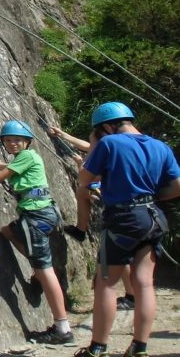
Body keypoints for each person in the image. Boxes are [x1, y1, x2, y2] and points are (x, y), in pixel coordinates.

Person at [74, 102, 180, 357]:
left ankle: (97, 347)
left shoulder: (110, 144)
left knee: (107, 283)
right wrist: (150, 197)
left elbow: (84, 180)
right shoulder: (160, 146)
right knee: (144, 283)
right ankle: (139, 347)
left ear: (106, 127)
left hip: (123, 218)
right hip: (153, 217)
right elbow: (177, 186)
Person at [0, 120, 73, 345]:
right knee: (7, 231)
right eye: (8, 140)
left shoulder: (28, 157)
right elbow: (3, 167)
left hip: (36, 216)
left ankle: (63, 328)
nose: (12, 144)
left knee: (44, 268)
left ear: (27, 141)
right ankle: (40, 270)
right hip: (40, 214)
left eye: (17, 140)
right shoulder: (24, 158)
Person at [49, 126, 136, 311]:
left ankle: (129, 296)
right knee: (125, 257)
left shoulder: (105, 153)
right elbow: (88, 146)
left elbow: (85, 178)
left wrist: (81, 164)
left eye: (93, 140)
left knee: (119, 258)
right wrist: (64, 135)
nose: (90, 144)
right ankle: (80, 229)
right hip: (130, 207)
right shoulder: (111, 148)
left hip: (114, 205)